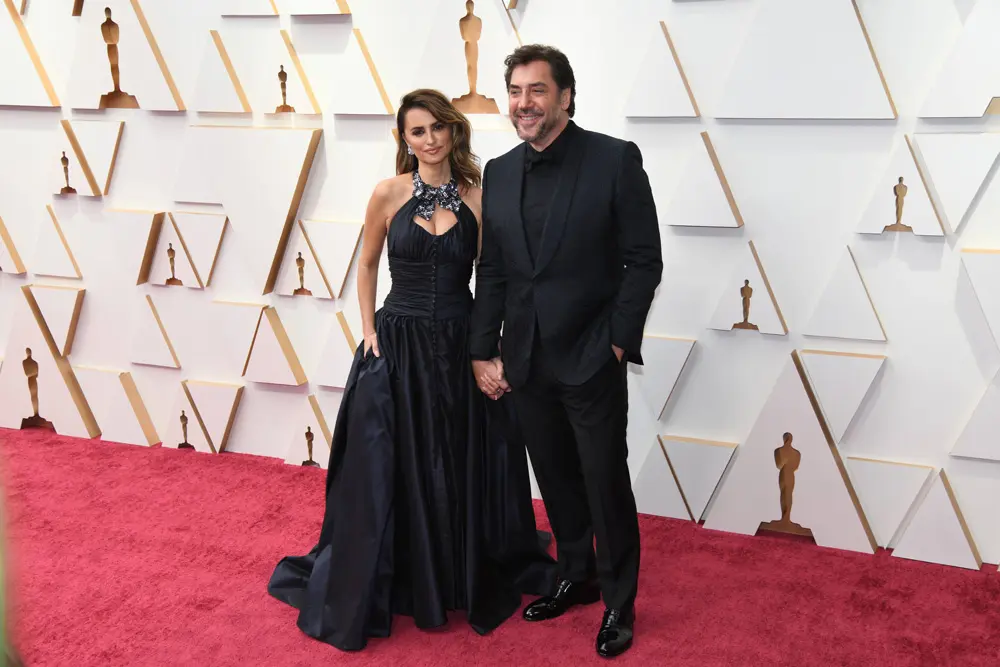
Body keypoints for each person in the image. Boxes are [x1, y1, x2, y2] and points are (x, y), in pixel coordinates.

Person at [266, 88, 557, 652]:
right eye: (417, 131)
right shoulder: (387, 193)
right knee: (397, 461)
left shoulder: (478, 196)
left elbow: (495, 279)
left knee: (455, 457)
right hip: (397, 342)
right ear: (405, 139)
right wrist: (371, 332)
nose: (429, 139)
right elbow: (369, 262)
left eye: (437, 129)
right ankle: (408, 570)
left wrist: (489, 348)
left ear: (453, 132)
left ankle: (455, 569)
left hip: (457, 343)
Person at [470, 44, 663, 658]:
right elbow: (493, 269)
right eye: (517, 92)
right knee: (554, 477)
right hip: (524, 358)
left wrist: (615, 341)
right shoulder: (499, 171)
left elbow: (643, 260)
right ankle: (576, 575)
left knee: (604, 482)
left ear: (565, 96)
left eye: (537, 91)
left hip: (589, 356)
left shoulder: (613, 160)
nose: (524, 104)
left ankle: (618, 602)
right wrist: (482, 350)